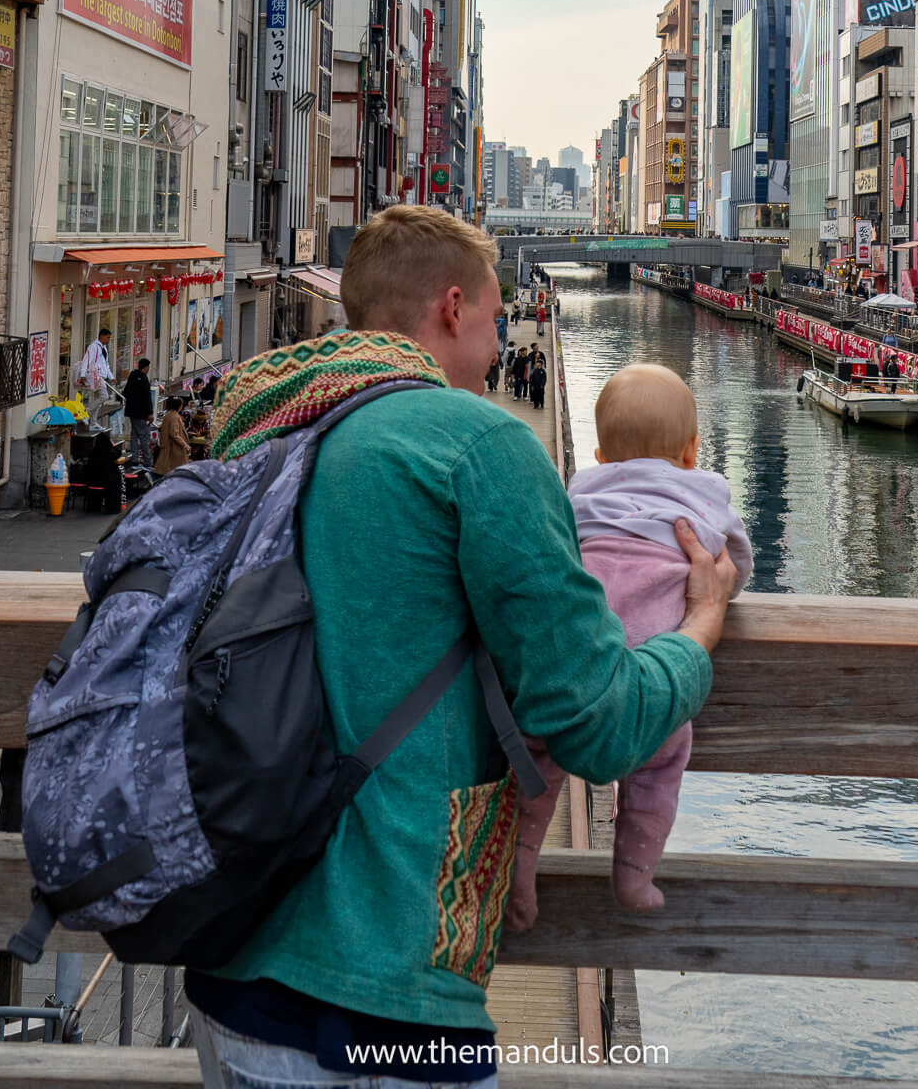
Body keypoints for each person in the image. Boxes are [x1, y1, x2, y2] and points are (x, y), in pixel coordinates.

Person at [187, 206, 735, 1088]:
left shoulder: (266, 429)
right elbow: (595, 724)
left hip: (229, 970)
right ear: (452, 308)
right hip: (390, 992)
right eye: (493, 314)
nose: (499, 336)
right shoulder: (480, 444)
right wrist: (700, 627)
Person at [508, 364, 751, 928]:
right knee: (660, 762)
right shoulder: (706, 495)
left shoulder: (580, 491)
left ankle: (519, 871)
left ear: (600, 454)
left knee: (536, 759)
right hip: (649, 659)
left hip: (577, 653)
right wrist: (719, 595)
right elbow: (732, 566)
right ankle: (634, 873)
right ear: (692, 451)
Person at [123, 358, 156, 468]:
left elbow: (125, 392)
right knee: (144, 437)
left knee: (134, 435)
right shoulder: (143, 379)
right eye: (148, 367)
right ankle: (148, 462)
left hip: (132, 412)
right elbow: (147, 397)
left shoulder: (132, 376)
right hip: (142, 414)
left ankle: (135, 459)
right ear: (145, 367)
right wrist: (150, 413)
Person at [154, 397, 193, 477]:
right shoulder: (175, 417)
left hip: (169, 447)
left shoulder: (168, 415)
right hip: (174, 449)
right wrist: (185, 445)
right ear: (179, 406)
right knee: (174, 471)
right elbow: (174, 434)